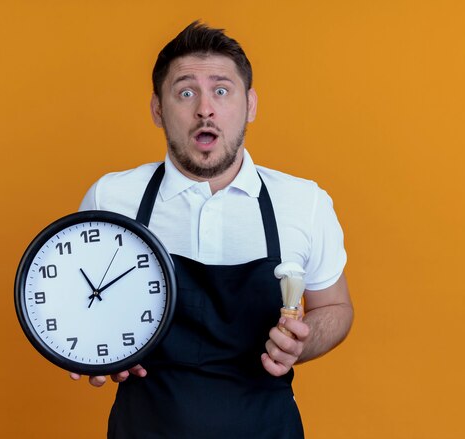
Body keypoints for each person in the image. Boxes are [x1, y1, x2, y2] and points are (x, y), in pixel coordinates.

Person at [72, 21, 353, 438]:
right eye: (186, 92)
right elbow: (76, 303)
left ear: (250, 104)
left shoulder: (303, 201)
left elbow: (336, 308)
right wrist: (100, 349)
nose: (205, 108)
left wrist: (300, 343)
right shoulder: (112, 198)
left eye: (221, 90)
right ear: (157, 109)